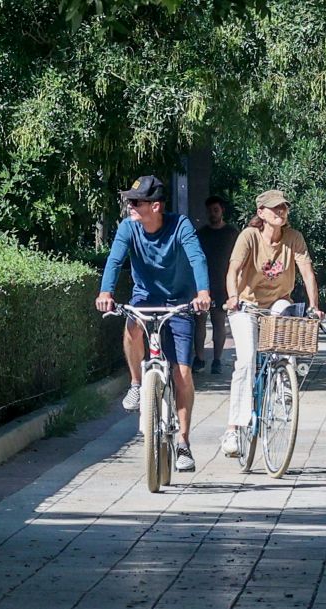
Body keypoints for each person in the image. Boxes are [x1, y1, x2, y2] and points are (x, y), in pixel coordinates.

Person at [95, 175, 211, 472]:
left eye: (136, 202)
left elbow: (197, 258)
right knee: (132, 324)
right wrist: (106, 292)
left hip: (179, 301)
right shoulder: (128, 227)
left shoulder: (180, 226)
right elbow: (114, 260)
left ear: (156, 206)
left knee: (182, 373)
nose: (130, 206)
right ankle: (136, 383)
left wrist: (202, 293)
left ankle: (183, 443)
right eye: (129, 201)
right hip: (145, 298)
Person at [219, 189, 325, 458]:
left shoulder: (294, 238)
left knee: (287, 321)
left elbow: (307, 273)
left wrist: (314, 306)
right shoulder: (249, 236)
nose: (281, 212)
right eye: (275, 208)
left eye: (284, 207)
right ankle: (233, 429)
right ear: (261, 213)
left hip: (277, 301)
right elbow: (233, 270)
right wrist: (233, 297)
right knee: (246, 361)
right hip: (246, 304)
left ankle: (284, 379)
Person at [193, 196, 239, 374]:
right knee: (200, 321)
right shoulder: (201, 234)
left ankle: (217, 360)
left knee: (219, 322)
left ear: (222, 211)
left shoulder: (232, 233)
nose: (213, 214)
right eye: (210, 211)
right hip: (203, 284)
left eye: (216, 210)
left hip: (223, 285)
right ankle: (199, 358)